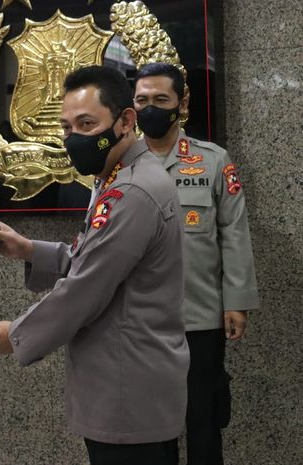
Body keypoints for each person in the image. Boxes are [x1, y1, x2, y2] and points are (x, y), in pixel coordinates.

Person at [0, 66, 189, 465]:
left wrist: (16, 334)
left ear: (125, 121)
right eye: (67, 126)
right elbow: (95, 261)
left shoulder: (131, 190)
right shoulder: (119, 177)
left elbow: (85, 288)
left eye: (87, 124)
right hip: (129, 379)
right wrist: (28, 249)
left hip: (126, 386)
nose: (75, 138)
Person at [134, 62, 259, 465]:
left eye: (160, 100)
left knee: (203, 422)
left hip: (200, 318)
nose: (150, 108)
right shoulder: (121, 165)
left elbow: (234, 233)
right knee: (153, 428)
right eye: (141, 101)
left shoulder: (213, 161)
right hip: (142, 323)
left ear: (182, 103)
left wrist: (235, 302)